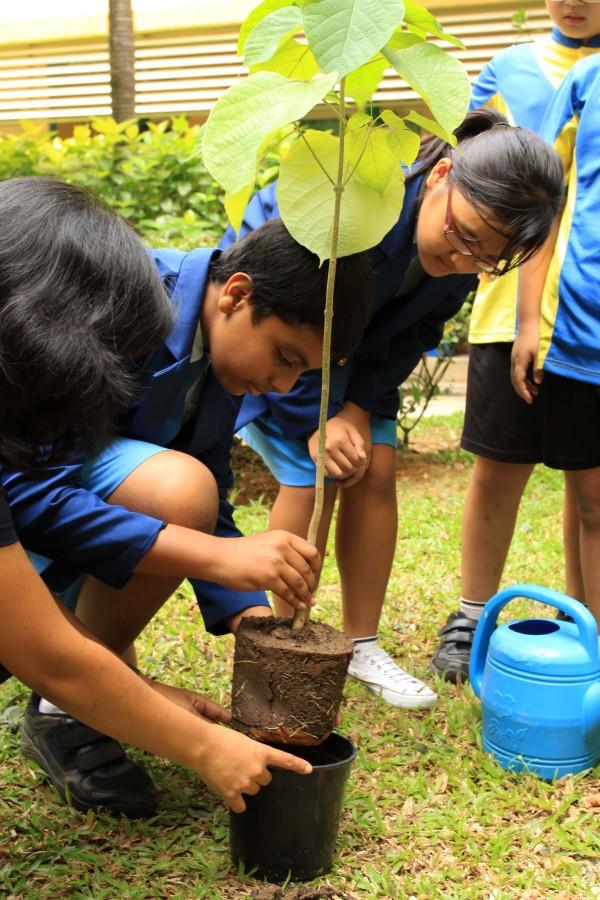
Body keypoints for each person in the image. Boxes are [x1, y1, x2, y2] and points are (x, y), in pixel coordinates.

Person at [2, 198, 373, 816]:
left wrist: (249, 615)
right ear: (235, 294)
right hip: (40, 484)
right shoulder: (107, 307)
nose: (282, 387)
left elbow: (211, 495)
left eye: (300, 374)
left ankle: (79, 695)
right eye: (283, 357)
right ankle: (69, 700)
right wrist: (214, 557)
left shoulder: (219, 359)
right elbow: (30, 492)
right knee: (179, 489)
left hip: (56, 486)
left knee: (191, 488)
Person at [224, 109, 564, 709]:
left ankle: (360, 644)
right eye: (463, 235)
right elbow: (294, 313)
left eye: (488, 257)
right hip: (279, 335)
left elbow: (414, 332)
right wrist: (317, 419)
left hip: (357, 362)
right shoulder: (353, 203)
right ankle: (284, 636)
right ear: (440, 176)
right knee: (313, 476)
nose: (464, 259)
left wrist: (355, 407)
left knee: (374, 471)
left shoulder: (469, 253)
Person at [431, 0, 600, 683]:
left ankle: (580, 621)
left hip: (583, 325)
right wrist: (528, 315)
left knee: (585, 483)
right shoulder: (510, 71)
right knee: (500, 467)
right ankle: (473, 612)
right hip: (513, 310)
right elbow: (469, 175)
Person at [511, 52, 600, 626]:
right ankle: (588, 636)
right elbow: (539, 201)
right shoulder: (586, 79)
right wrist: (527, 325)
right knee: (591, 500)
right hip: (583, 332)